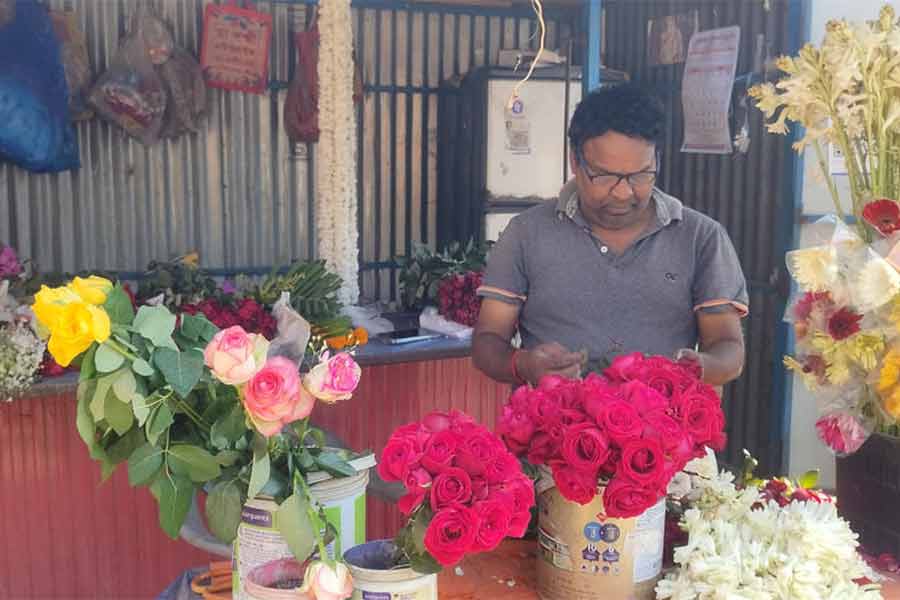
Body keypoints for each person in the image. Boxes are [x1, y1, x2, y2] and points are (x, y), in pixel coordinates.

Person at [472, 83, 747, 388]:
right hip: (551, 431)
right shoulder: (526, 234)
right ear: (575, 162)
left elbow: (728, 346)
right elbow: (487, 341)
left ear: (657, 161)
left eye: (640, 175)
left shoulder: (701, 238)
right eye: (604, 176)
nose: (622, 192)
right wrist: (522, 363)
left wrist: (699, 367)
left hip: (663, 430)